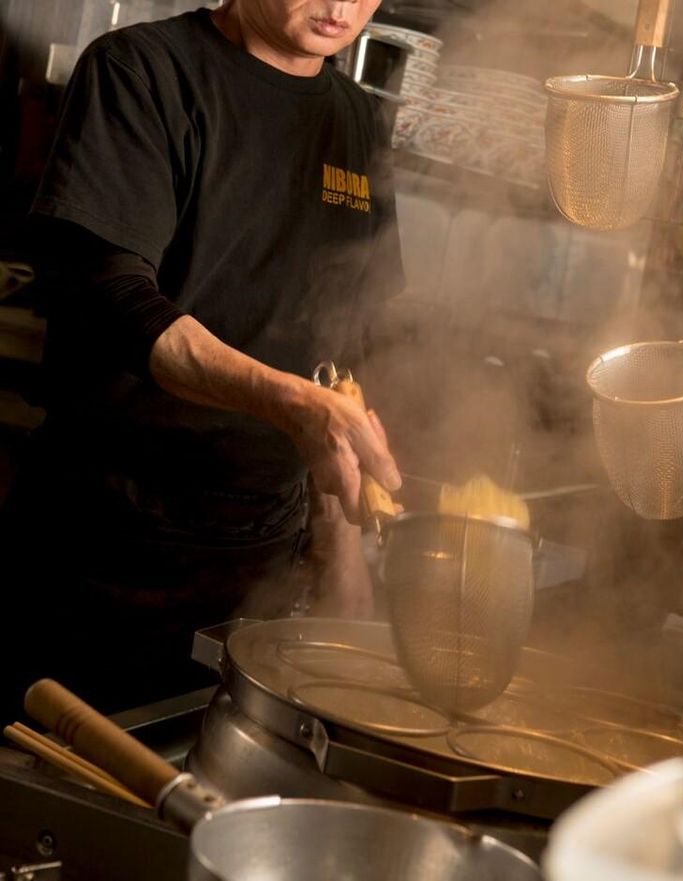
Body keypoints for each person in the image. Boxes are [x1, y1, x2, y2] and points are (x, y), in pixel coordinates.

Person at [1, 0, 405, 720]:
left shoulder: (357, 121)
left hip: (259, 567)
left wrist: (342, 558)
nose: (342, 7)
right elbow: (119, 300)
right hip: (109, 548)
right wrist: (286, 400)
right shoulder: (142, 72)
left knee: (213, 801)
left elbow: (345, 358)